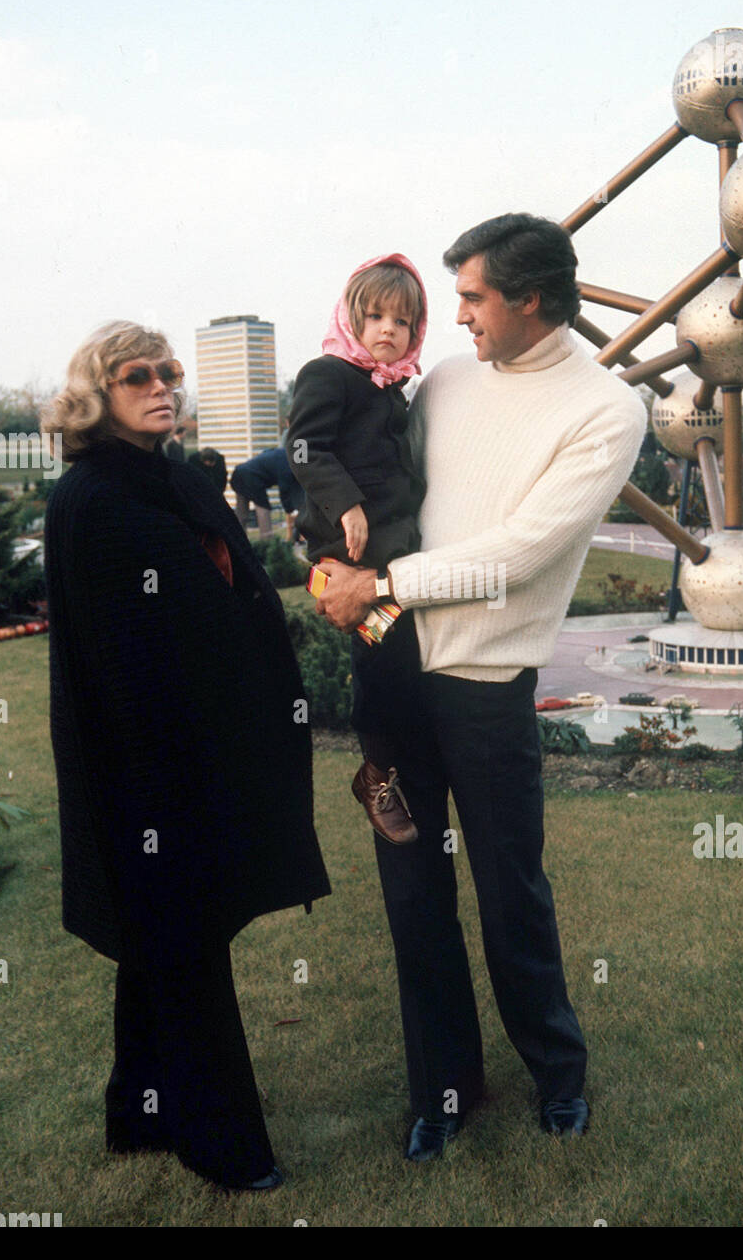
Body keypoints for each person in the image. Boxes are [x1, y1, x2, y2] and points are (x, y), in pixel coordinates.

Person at [316, 214, 645, 1161]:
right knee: (413, 895)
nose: (450, 319)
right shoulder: (448, 380)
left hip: (486, 687)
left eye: (469, 298)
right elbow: (386, 491)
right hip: (392, 678)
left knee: (511, 895)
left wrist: (379, 584)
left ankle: (558, 1074)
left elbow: (520, 554)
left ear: (529, 299)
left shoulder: (605, 410)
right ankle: (443, 1092)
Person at [41, 321, 330, 1193]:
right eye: (138, 377)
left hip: (208, 752)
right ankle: (224, 1145)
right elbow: (115, 664)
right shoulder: (91, 501)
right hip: (147, 770)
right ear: (97, 396)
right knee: (182, 940)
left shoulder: (175, 479)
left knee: (163, 940)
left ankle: (141, 1112)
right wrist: (163, 787)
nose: (162, 386)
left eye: (169, 373)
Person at [286, 253, 427, 846]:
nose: (387, 330)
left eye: (402, 320)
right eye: (374, 317)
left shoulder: (396, 390)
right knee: (381, 654)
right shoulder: (328, 373)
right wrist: (345, 504)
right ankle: (375, 774)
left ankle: (392, 759)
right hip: (346, 551)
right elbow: (301, 447)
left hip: (391, 552)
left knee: (402, 656)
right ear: (352, 320)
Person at [230, 443, 306, 541]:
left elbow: (266, 453)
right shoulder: (288, 465)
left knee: (242, 513)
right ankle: (267, 542)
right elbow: (284, 491)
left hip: (239, 472)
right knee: (263, 510)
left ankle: (237, 542)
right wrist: (290, 510)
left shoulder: (283, 452)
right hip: (252, 478)